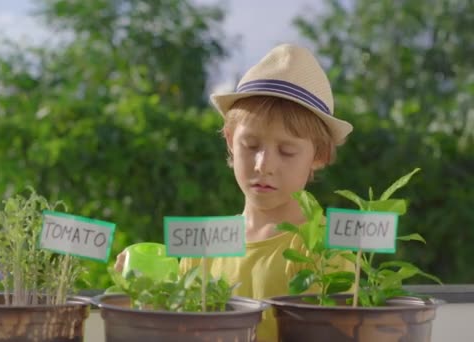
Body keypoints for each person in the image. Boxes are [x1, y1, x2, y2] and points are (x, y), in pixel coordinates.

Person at [115, 43, 353, 342]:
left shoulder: (324, 252)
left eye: (287, 151)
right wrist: (147, 295)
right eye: (251, 145)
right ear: (229, 140)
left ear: (318, 156)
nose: (264, 165)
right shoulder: (203, 247)